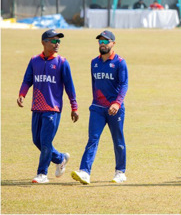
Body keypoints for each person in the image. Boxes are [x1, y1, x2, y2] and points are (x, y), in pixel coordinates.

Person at [17, 29, 79, 183]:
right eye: (53, 40)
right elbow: (27, 80)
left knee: (45, 142)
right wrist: (22, 94)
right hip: (37, 107)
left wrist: (74, 107)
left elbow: (69, 86)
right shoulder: (34, 60)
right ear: (43, 42)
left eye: (59, 41)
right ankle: (60, 158)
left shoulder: (62, 63)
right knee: (37, 141)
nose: (57, 44)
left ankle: (42, 174)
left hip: (53, 108)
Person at [71, 30, 129, 185]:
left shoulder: (119, 62)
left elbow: (124, 85)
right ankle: (84, 172)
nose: (102, 44)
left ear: (113, 43)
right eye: (100, 41)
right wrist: (95, 102)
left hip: (115, 109)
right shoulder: (94, 62)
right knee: (92, 139)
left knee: (118, 140)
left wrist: (117, 103)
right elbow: (94, 84)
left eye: (106, 41)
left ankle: (120, 172)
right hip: (97, 108)